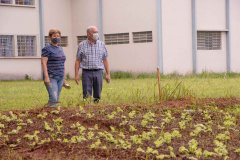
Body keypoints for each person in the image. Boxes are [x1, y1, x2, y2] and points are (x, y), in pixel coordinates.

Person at [75, 26, 110, 103]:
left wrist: (108, 74)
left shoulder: (102, 45)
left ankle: (96, 108)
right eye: (94, 32)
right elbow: (78, 60)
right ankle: (87, 108)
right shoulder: (82, 45)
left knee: (97, 93)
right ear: (89, 34)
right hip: (86, 72)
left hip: (98, 71)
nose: (96, 34)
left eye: (97, 32)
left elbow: (105, 60)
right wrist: (76, 74)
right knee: (87, 94)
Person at [41, 28, 67, 107]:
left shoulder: (60, 48)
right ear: (50, 37)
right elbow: (43, 63)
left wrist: (64, 77)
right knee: (54, 98)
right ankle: (50, 114)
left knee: (56, 97)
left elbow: (62, 63)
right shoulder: (46, 49)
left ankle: (49, 113)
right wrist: (46, 77)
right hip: (51, 76)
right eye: (54, 36)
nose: (56, 37)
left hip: (60, 76)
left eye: (58, 36)